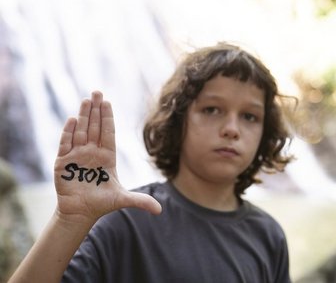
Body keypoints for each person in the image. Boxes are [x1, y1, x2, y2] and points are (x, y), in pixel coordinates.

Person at [9, 43, 293, 283]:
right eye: (212, 109)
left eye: (249, 117)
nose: (232, 128)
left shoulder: (268, 236)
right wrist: (69, 220)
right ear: (178, 119)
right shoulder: (126, 221)